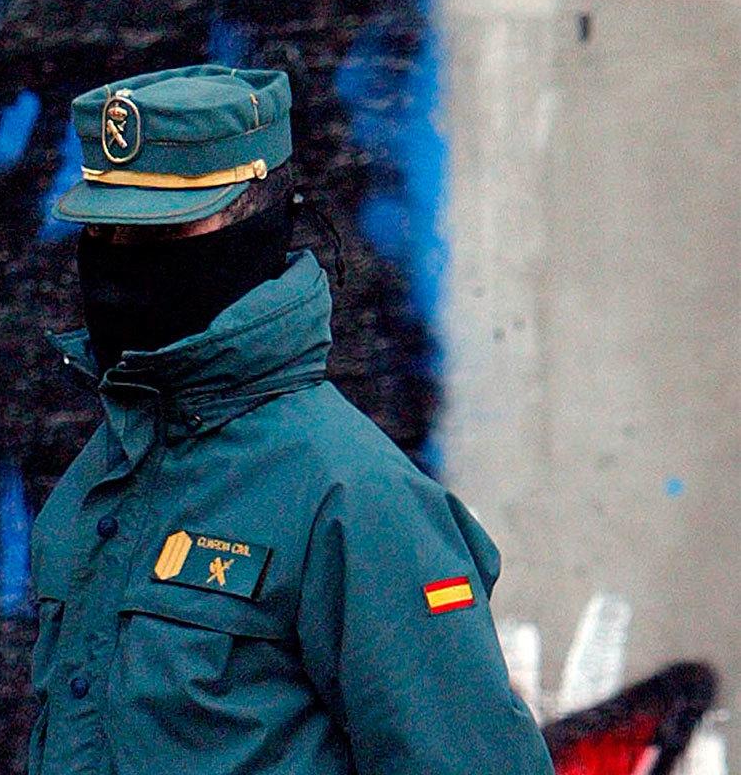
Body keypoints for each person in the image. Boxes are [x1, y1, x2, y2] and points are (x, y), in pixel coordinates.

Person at [27, 64, 553, 775]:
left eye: (165, 229)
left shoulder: (356, 496)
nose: (125, 262)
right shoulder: (106, 473)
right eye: (108, 232)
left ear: (256, 220)